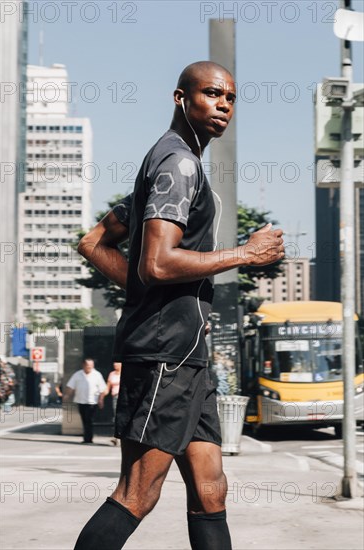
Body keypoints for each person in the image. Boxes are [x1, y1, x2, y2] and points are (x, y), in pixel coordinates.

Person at [75, 61, 284, 549]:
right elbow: (160, 263)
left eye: (230, 98)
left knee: (210, 490)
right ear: (180, 98)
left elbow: (93, 243)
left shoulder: (172, 163)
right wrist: (246, 255)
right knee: (138, 493)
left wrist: (151, 291)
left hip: (189, 357)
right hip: (165, 354)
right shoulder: (178, 164)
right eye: (212, 94)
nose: (223, 105)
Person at [63, 358, 107, 444]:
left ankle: (88, 439)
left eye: (92, 365)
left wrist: (101, 400)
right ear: (83, 365)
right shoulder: (77, 374)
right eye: (88, 365)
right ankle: (87, 437)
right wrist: (67, 395)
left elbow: (103, 389)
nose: (90, 367)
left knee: (89, 420)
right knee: (84, 420)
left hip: (92, 402)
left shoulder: (97, 375)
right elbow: (71, 386)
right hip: (80, 401)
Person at [105, 362, 122, 446]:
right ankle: (116, 437)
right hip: (115, 397)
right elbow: (108, 387)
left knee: (121, 416)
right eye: (114, 364)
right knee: (116, 416)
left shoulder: (124, 372)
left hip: (123, 396)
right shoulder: (112, 374)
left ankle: (120, 438)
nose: (115, 365)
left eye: (117, 364)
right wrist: (101, 397)